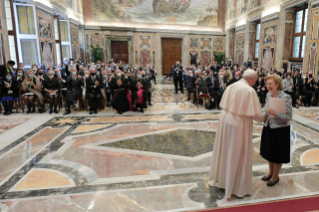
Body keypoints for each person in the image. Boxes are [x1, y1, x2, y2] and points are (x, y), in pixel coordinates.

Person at [208, 69, 263, 204]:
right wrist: (266, 116)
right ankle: (236, 187)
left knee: (226, 152)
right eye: (255, 80)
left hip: (225, 121)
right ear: (251, 78)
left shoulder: (232, 85)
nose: (255, 83)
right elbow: (255, 115)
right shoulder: (249, 90)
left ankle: (223, 181)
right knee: (237, 153)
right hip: (239, 124)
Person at [259, 74, 292, 186]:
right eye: (267, 84)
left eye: (270, 83)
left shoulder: (286, 97)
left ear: (277, 84)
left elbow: (288, 117)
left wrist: (276, 114)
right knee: (269, 152)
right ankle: (270, 172)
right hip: (269, 127)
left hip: (280, 130)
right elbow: (266, 110)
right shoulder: (268, 95)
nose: (268, 86)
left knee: (278, 154)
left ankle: (275, 176)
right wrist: (264, 116)